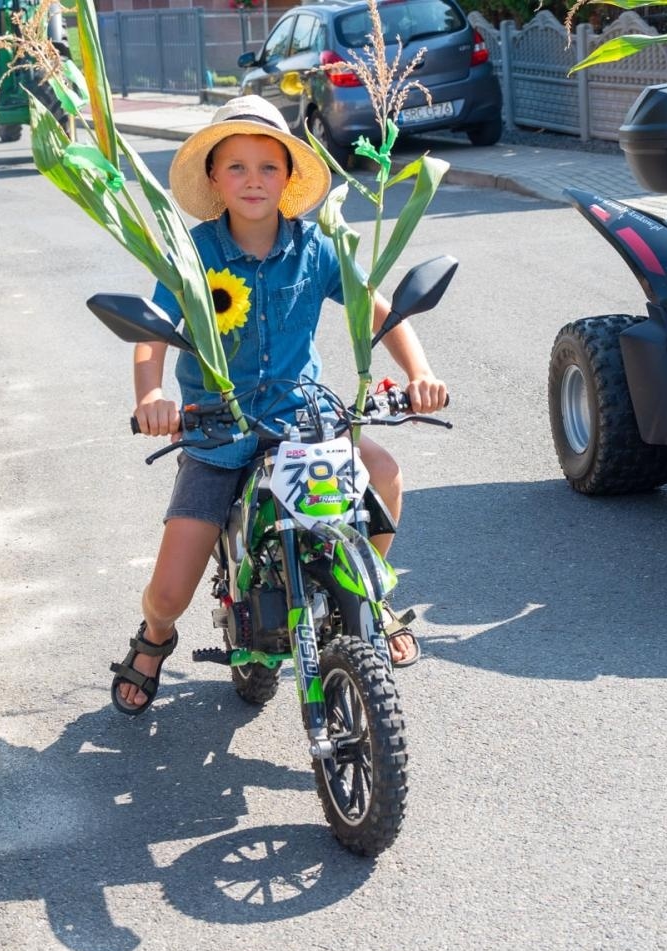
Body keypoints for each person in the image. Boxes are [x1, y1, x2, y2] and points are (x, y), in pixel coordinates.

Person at [110, 95, 448, 716]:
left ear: (290, 178)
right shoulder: (194, 254)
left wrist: (418, 372)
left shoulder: (316, 247)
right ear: (214, 179)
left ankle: (365, 594)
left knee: (384, 472)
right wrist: (151, 395)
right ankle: (154, 638)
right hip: (219, 431)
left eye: (268, 167)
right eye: (236, 167)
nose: (253, 180)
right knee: (167, 590)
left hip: (304, 425)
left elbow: (375, 308)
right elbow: (153, 331)